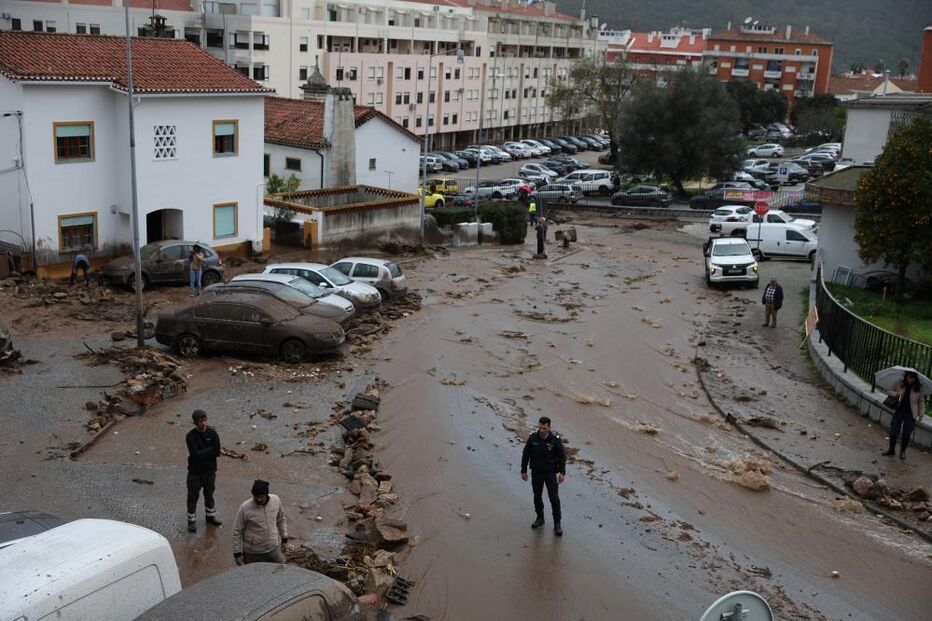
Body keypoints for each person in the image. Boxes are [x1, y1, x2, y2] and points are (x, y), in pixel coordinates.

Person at [521, 416, 566, 536]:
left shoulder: (555, 440)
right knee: (537, 496)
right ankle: (540, 518)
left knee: (554, 498)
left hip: (550, 473)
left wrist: (562, 472)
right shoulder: (533, 438)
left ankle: (557, 524)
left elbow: (562, 456)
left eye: (544, 428)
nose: (541, 430)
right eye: (540, 427)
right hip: (536, 472)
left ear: (549, 427)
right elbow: (525, 454)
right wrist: (523, 470)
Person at [232, 480, 289, 565]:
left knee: (280, 569)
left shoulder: (276, 500)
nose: (259, 499)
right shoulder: (245, 508)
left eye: (261, 496)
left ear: (266, 494)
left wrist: (284, 539)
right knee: (253, 576)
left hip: (273, 548)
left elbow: (281, 520)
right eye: (256, 496)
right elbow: (237, 531)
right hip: (253, 553)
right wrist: (237, 554)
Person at [186, 409, 222, 532]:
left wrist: (204, 451)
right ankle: (191, 521)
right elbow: (195, 454)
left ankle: (210, 517)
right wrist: (209, 450)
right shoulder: (190, 436)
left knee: (209, 494)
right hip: (195, 472)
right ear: (195, 422)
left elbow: (217, 451)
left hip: (210, 471)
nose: (203, 423)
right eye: (200, 421)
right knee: (193, 496)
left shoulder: (213, 433)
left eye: (204, 420)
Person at [883, 370, 925, 460]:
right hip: (899, 410)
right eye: (909, 377)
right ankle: (891, 450)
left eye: (913, 378)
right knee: (894, 430)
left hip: (911, 413)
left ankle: (902, 451)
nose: (910, 379)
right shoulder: (900, 383)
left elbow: (921, 402)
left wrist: (921, 414)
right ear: (906, 376)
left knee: (906, 433)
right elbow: (889, 391)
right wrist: (897, 393)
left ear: (915, 378)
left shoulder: (919, 388)